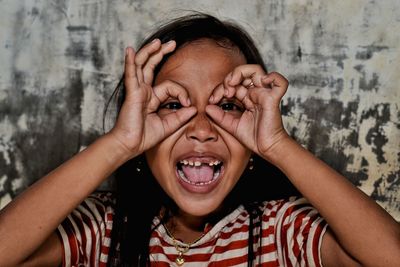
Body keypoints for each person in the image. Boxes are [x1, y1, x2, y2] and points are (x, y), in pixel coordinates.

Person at [0, 12, 399, 267]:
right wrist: (119, 143)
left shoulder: (283, 229)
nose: (203, 128)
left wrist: (279, 145)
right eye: (174, 104)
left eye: (226, 105)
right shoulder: (103, 230)